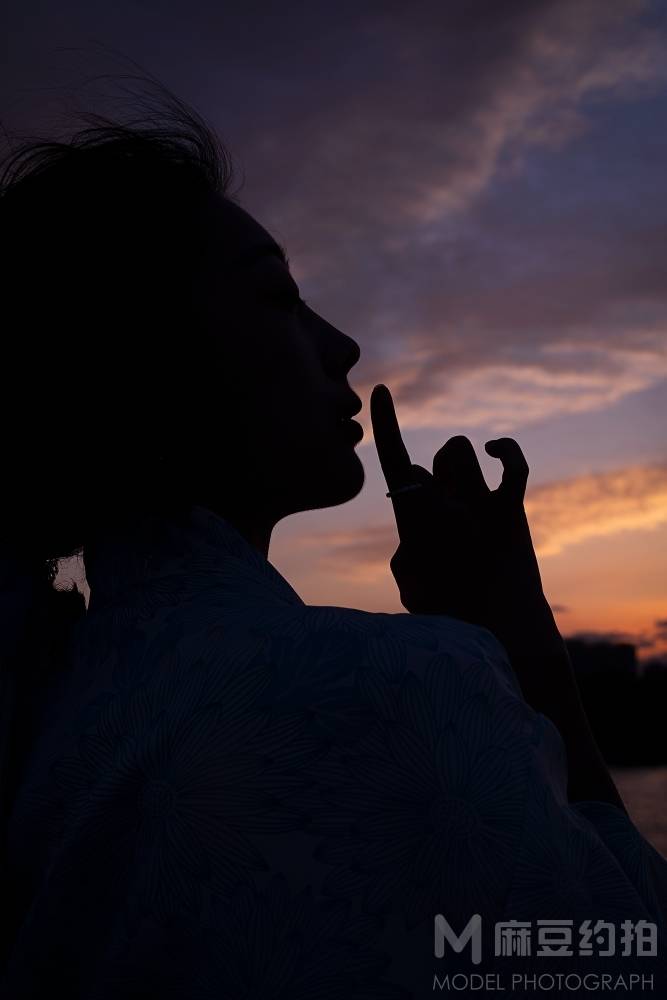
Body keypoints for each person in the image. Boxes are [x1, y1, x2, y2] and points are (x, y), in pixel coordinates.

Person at [0, 78, 665, 998]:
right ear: (146, 365)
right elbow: (628, 957)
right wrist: (520, 639)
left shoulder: (51, 713)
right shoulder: (380, 692)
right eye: (279, 297)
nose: (343, 343)